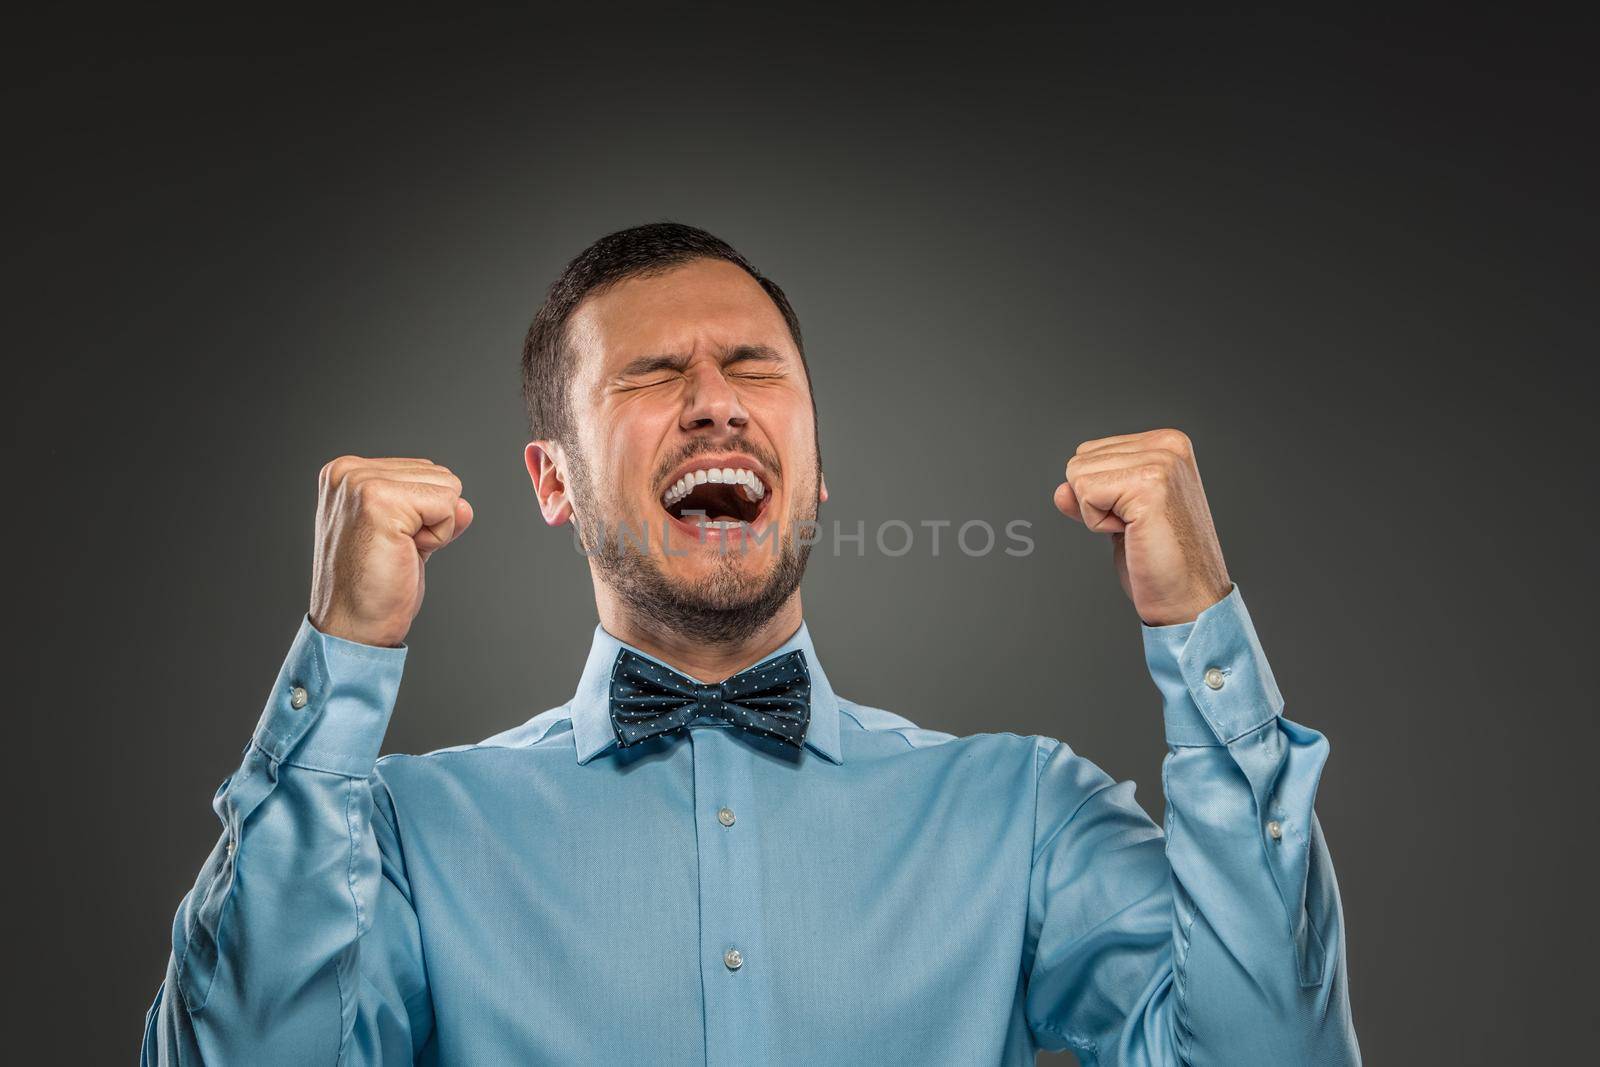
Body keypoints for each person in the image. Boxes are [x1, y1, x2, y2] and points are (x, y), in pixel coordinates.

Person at [142, 222, 1360, 1065]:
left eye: (754, 367)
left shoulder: (1022, 812)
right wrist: (339, 661)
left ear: (819, 470)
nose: (715, 397)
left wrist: (1199, 628)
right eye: (652, 373)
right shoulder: (408, 836)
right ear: (553, 482)